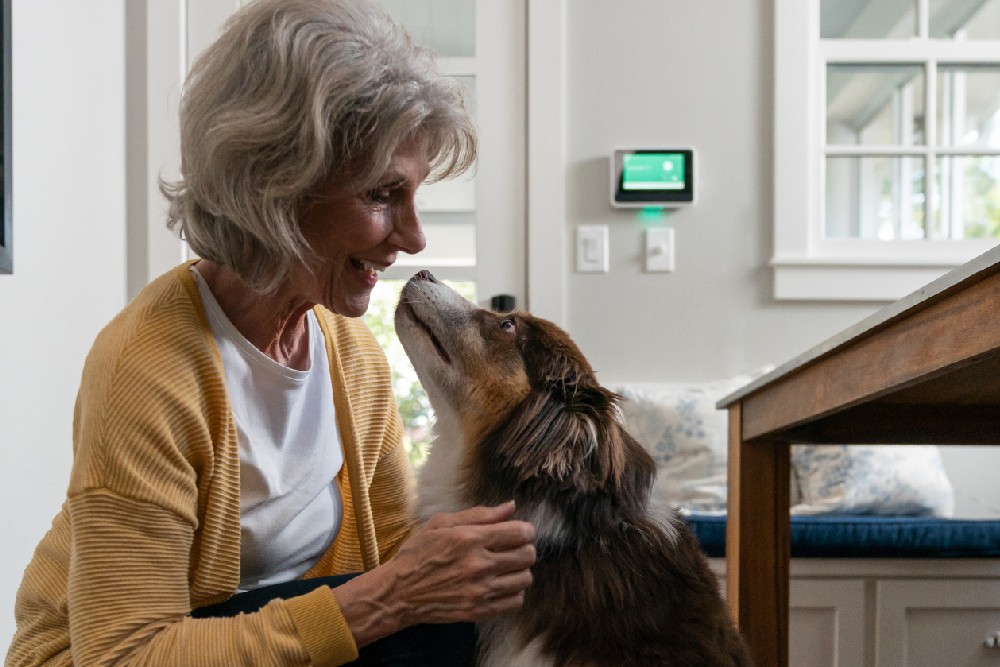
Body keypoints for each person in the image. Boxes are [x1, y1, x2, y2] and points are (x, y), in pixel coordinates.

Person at [5, 0, 536, 665]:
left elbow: (409, 567)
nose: (414, 236)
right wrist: (389, 598)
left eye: (414, 195)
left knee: (455, 624)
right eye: (381, 195)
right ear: (278, 186)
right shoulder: (145, 370)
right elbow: (122, 654)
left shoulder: (353, 358)